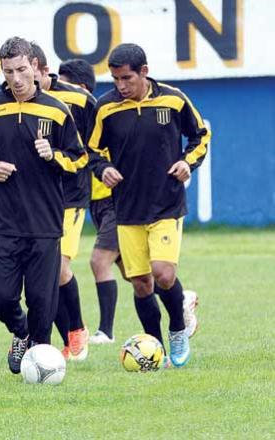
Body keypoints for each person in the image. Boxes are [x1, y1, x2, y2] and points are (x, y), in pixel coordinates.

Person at [86, 43, 210, 367]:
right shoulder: (106, 108)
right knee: (141, 283)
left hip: (166, 204)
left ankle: (178, 328)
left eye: (126, 78)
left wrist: (187, 162)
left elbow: (201, 136)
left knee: (163, 274)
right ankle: (154, 350)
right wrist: (103, 168)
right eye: (115, 79)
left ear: (144, 71)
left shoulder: (173, 99)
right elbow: (91, 151)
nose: (121, 86)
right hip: (127, 209)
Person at [0, 37, 88, 374]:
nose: (17, 78)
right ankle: (20, 332)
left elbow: (78, 159)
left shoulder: (56, 110)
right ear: (2, 71)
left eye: (22, 69)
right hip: (3, 222)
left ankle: (39, 359)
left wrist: (55, 157)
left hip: (46, 222)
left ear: (34, 67)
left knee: (42, 301)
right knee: (0, 299)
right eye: (9, 71)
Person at [30, 45, 93, 361]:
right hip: (37, 198)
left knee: (58, 267)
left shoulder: (79, 100)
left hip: (71, 195)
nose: (23, 80)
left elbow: (99, 139)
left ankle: (78, 330)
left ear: (42, 70)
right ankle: (65, 342)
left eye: (29, 73)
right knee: (43, 272)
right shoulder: (14, 102)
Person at [59, 58, 121, 345]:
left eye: (64, 84)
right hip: (96, 203)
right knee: (135, 275)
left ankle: (104, 333)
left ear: (81, 88)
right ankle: (180, 299)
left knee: (99, 261)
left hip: (116, 201)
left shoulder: (97, 119)